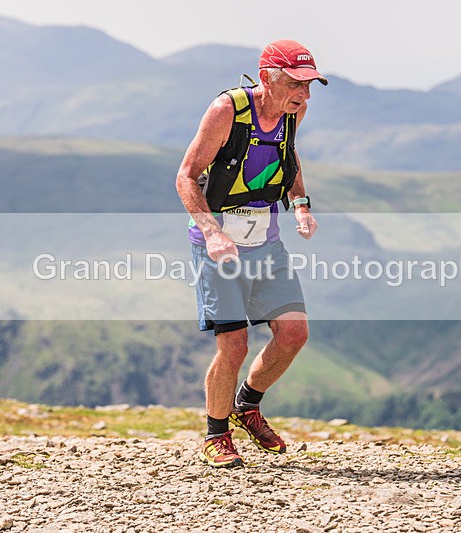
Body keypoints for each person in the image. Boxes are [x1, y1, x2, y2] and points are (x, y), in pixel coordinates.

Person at [175, 39, 326, 468]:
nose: (305, 95)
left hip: (266, 240)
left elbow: (288, 155)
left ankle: (247, 405)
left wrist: (300, 204)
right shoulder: (227, 111)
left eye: (311, 85)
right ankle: (216, 434)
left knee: (294, 333)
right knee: (234, 346)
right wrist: (213, 232)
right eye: (296, 84)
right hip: (217, 243)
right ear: (266, 78)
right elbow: (185, 177)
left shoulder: (294, 112)